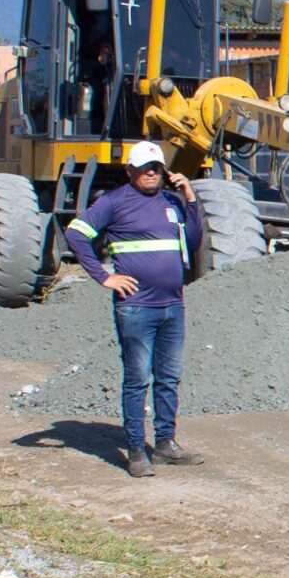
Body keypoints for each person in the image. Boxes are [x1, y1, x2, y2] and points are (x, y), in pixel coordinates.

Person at [64, 141, 206, 477]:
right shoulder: (114, 203)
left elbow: (195, 241)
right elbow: (76, 234)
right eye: (145, 168)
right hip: (137, 308)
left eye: (156, 167)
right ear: (130, 171)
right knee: (137, 379)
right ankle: (136, 450)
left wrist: (190, 199)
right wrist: (104, 277)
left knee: (168, 378)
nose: (152, 173)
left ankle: (166, 444)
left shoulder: (172, 200)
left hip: (173, 305)